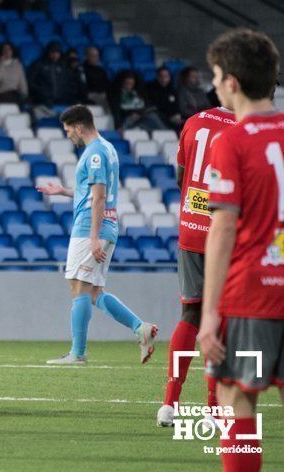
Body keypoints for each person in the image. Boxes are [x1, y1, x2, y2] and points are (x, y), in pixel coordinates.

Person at [198, 28, 282, 472]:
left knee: (236, 395)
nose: (213, 84)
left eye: (215, 75)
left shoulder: (230, 140)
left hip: (252, 294)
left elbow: (223, 228)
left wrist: (210, 314)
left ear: (231, 81)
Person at [37, 105, 158, 365]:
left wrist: (93, 237)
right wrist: (63, 191)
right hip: (106, 225)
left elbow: (100, 196)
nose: (69, 136)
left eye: (69, 131)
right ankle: (141, 329)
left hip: (91, 228)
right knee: (93, 292)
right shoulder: (107, 149)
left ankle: (77, 353)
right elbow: (91, 192)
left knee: (78, 287)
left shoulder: (94, 154)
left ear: (79, 127)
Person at [155, 103, 235, 428]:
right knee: (221, 316)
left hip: (191, 227)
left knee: (190, 313)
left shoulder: (194, 121)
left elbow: (180, 175)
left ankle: (169, 405)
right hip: (224, 231)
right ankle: (214, 409)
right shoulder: (243, 126)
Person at [27, 41, 74, 118]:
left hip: (62, 102)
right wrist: (43, 94)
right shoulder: (38, 64)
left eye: (57, 52)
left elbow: (69, 84)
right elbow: (31, 82)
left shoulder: (64, 66)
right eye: (52, 52)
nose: (55, 55)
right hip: (42, 102)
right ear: (48, 52)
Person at [81, 46, 109, 111]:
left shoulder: (101, 70)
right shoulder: (81, 70)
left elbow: (107, 85)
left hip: (102, 94)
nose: (97, 58)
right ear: (86, 57)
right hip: (89, 95)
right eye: (93, 56)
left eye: (97, 56)